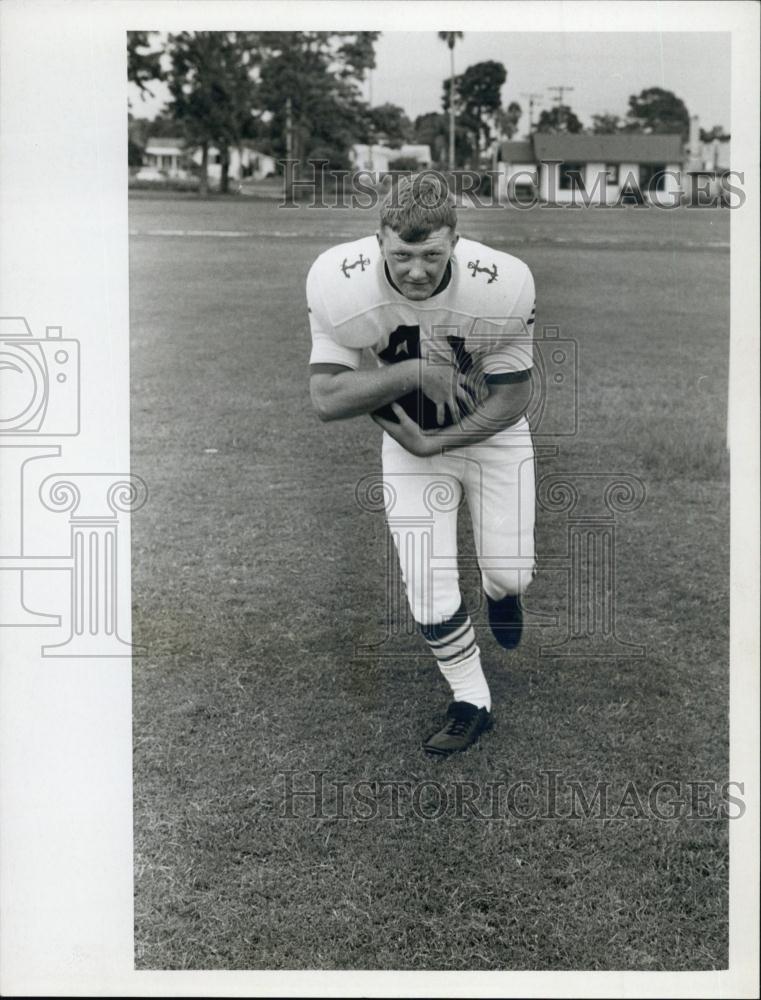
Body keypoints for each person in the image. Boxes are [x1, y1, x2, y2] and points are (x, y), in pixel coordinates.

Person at [306, 173, 536, 756]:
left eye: (430, 255)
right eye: (400, 255)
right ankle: (471, 700)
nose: (414, 271)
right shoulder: (337, 283)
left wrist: (445, 441)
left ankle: (500, 589)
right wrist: (413, 374)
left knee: (512, 573)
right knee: (430, 589)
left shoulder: (502, 285)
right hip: (410, 442)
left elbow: (512, 396)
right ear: (377, 240)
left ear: (455, 241)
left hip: (491, 435)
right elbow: (328, 398)